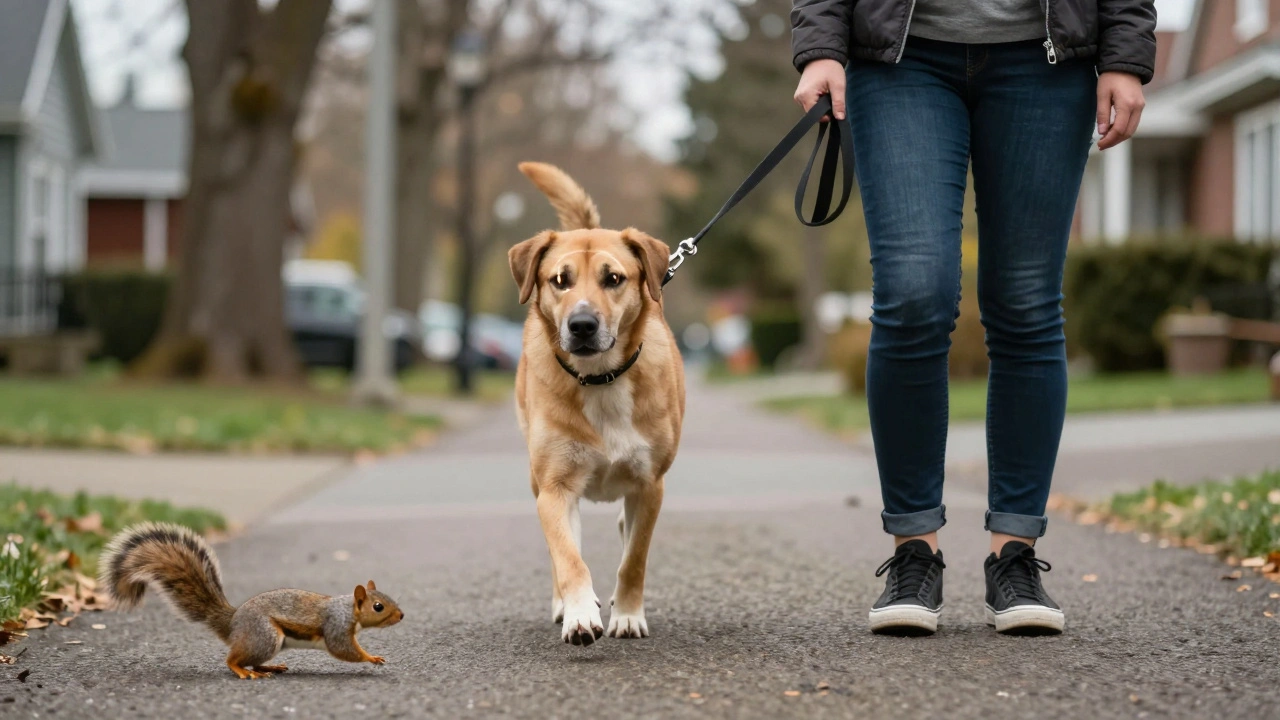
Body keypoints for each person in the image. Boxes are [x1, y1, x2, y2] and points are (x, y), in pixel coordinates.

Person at [790, 0, 1156, 635]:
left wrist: (1124, 54)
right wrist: (821, 44)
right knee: (911, 296)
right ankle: (914, 552)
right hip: (900, 56)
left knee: (1026, 302)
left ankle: (1014, 555)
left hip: (1046, 60)